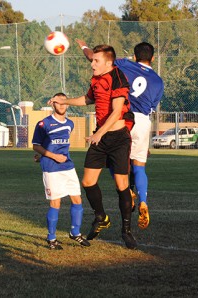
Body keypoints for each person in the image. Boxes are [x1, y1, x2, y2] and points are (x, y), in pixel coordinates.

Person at [49, 45, 137, 249]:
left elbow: (117, 113)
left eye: (96, 61)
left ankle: (126, 231)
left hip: (118, 138)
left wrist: (99, 133)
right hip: (101, 138)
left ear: (108, 63)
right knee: (88, 182)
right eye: (92, 60)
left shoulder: (118, 78)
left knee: (121, 185)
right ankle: (101, 217)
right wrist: (64, 101)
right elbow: (88, 99)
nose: (92, 64)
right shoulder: (97, 79)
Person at [77, 40, 164, 230]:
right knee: (139, 167)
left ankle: (128, 193)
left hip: (123, 118)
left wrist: (84, 47)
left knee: (115, 158)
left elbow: (96, 58)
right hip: (142, 122)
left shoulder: (124, 65)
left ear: (134, 56)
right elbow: (152, 107)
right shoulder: (158, 80)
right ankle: (143, 200)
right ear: (153, 58)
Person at [32, 93, 91, 250]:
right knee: (55, 203)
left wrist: (45, 155)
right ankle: (51, 238)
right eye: (58, 103)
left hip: (67, 166)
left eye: (64, 102)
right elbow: (36, 145)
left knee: (77, 199)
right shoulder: (43, 124)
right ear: (53, 104)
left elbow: (55, 145)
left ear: (68, 104)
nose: (62, 105)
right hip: (51, 168)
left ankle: (75, 233)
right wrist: (50, 156)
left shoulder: (70, 124)